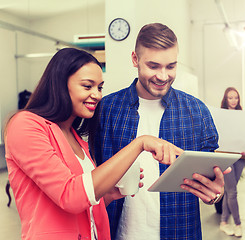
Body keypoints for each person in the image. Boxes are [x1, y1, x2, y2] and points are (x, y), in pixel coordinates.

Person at [4, 48, 181, 240]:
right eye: (88, 86)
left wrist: (108, 194)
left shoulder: (76, 137)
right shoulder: (25, 125)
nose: (97, 95)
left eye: (99, 87)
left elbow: (83, 208)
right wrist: (140, 143)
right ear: (60, 85)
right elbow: (70, 196)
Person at [92, 23, 227, 240]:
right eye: (153, 66)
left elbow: (211, 185)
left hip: (181, 232)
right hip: (119, 233)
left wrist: (215, 195)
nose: (163, 76)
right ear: (135, 59)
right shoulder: (106, 109)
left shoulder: (197, 111)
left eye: (171, 66)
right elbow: (91, 178)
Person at [218, 87, 245, 237]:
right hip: (226, 156)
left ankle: (223, 222)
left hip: (240, 158)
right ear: (226, 99)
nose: (234, 100)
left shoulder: (242, 115)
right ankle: (238, 223)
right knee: (233, 192)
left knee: (230, 191)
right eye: (230, 98)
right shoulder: (221, 115)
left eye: (236, 97)